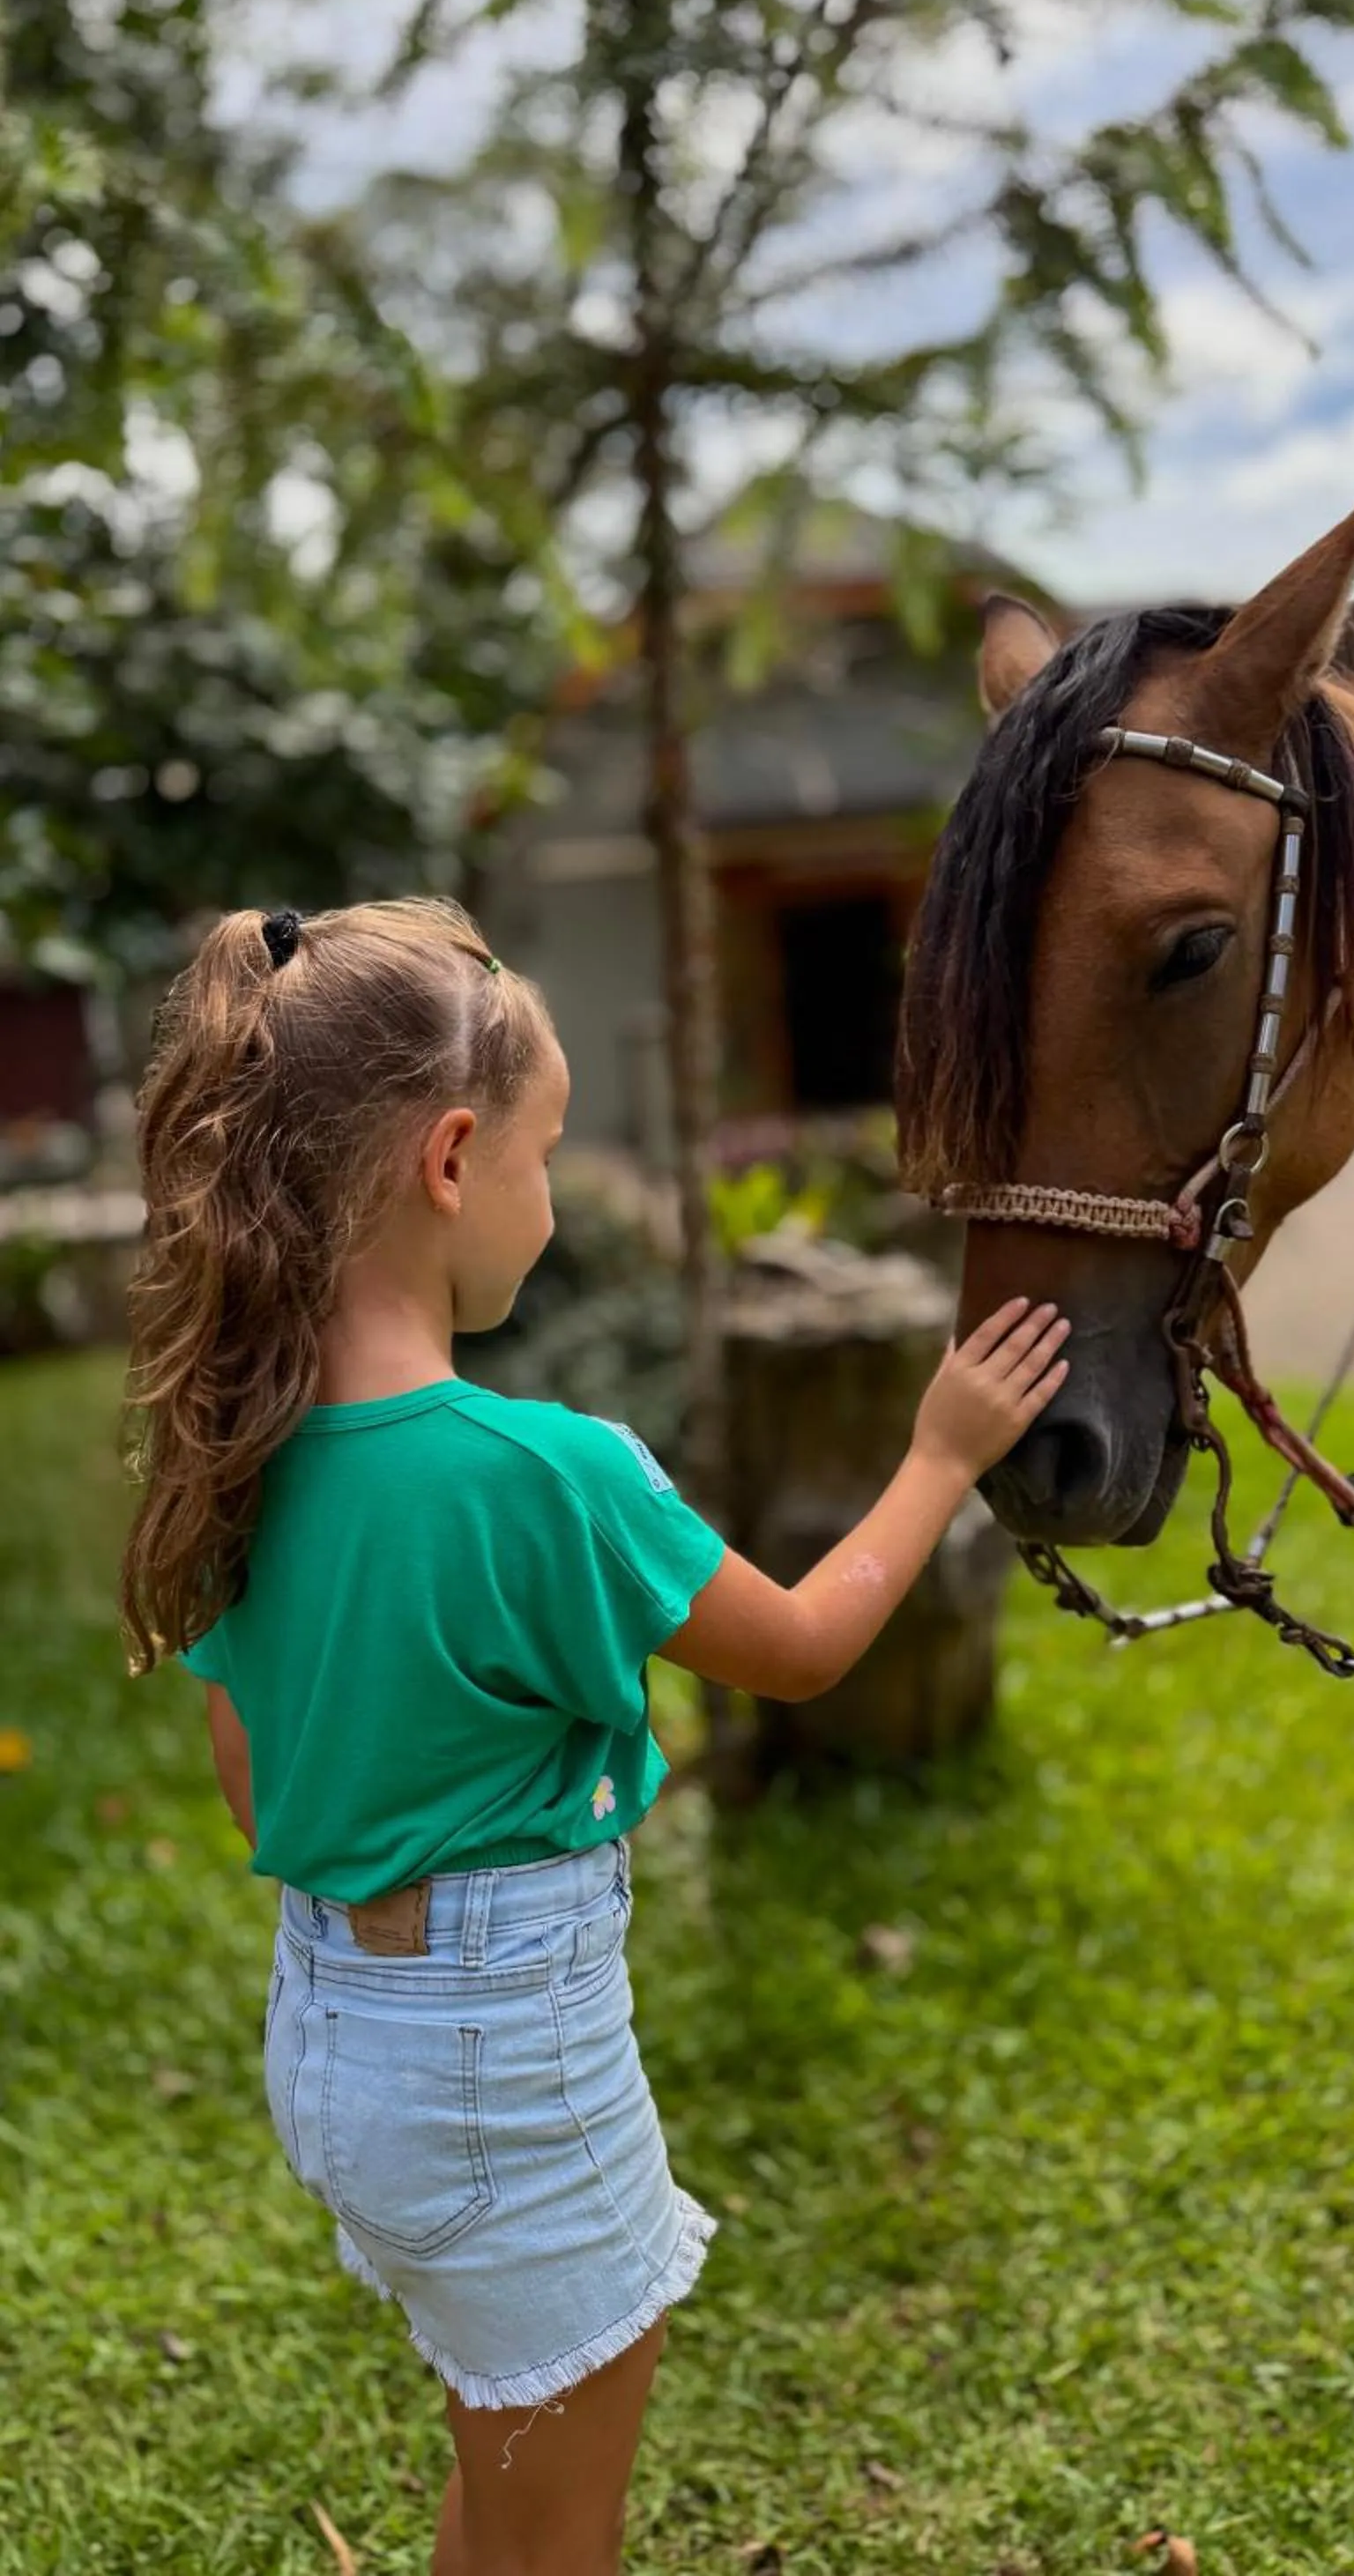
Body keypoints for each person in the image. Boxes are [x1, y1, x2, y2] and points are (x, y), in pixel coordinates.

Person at [119, 897, 1068, 2576]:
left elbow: (249, 1770)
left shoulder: (238, 1461)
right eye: (549, 1157)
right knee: (563, 2524)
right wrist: (941, 1452)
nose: (551, 1203)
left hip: (335, 2052)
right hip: (502, 2071)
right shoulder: (552, 1472)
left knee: (503, 2444)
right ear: (454, 1157)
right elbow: (799, 1649)